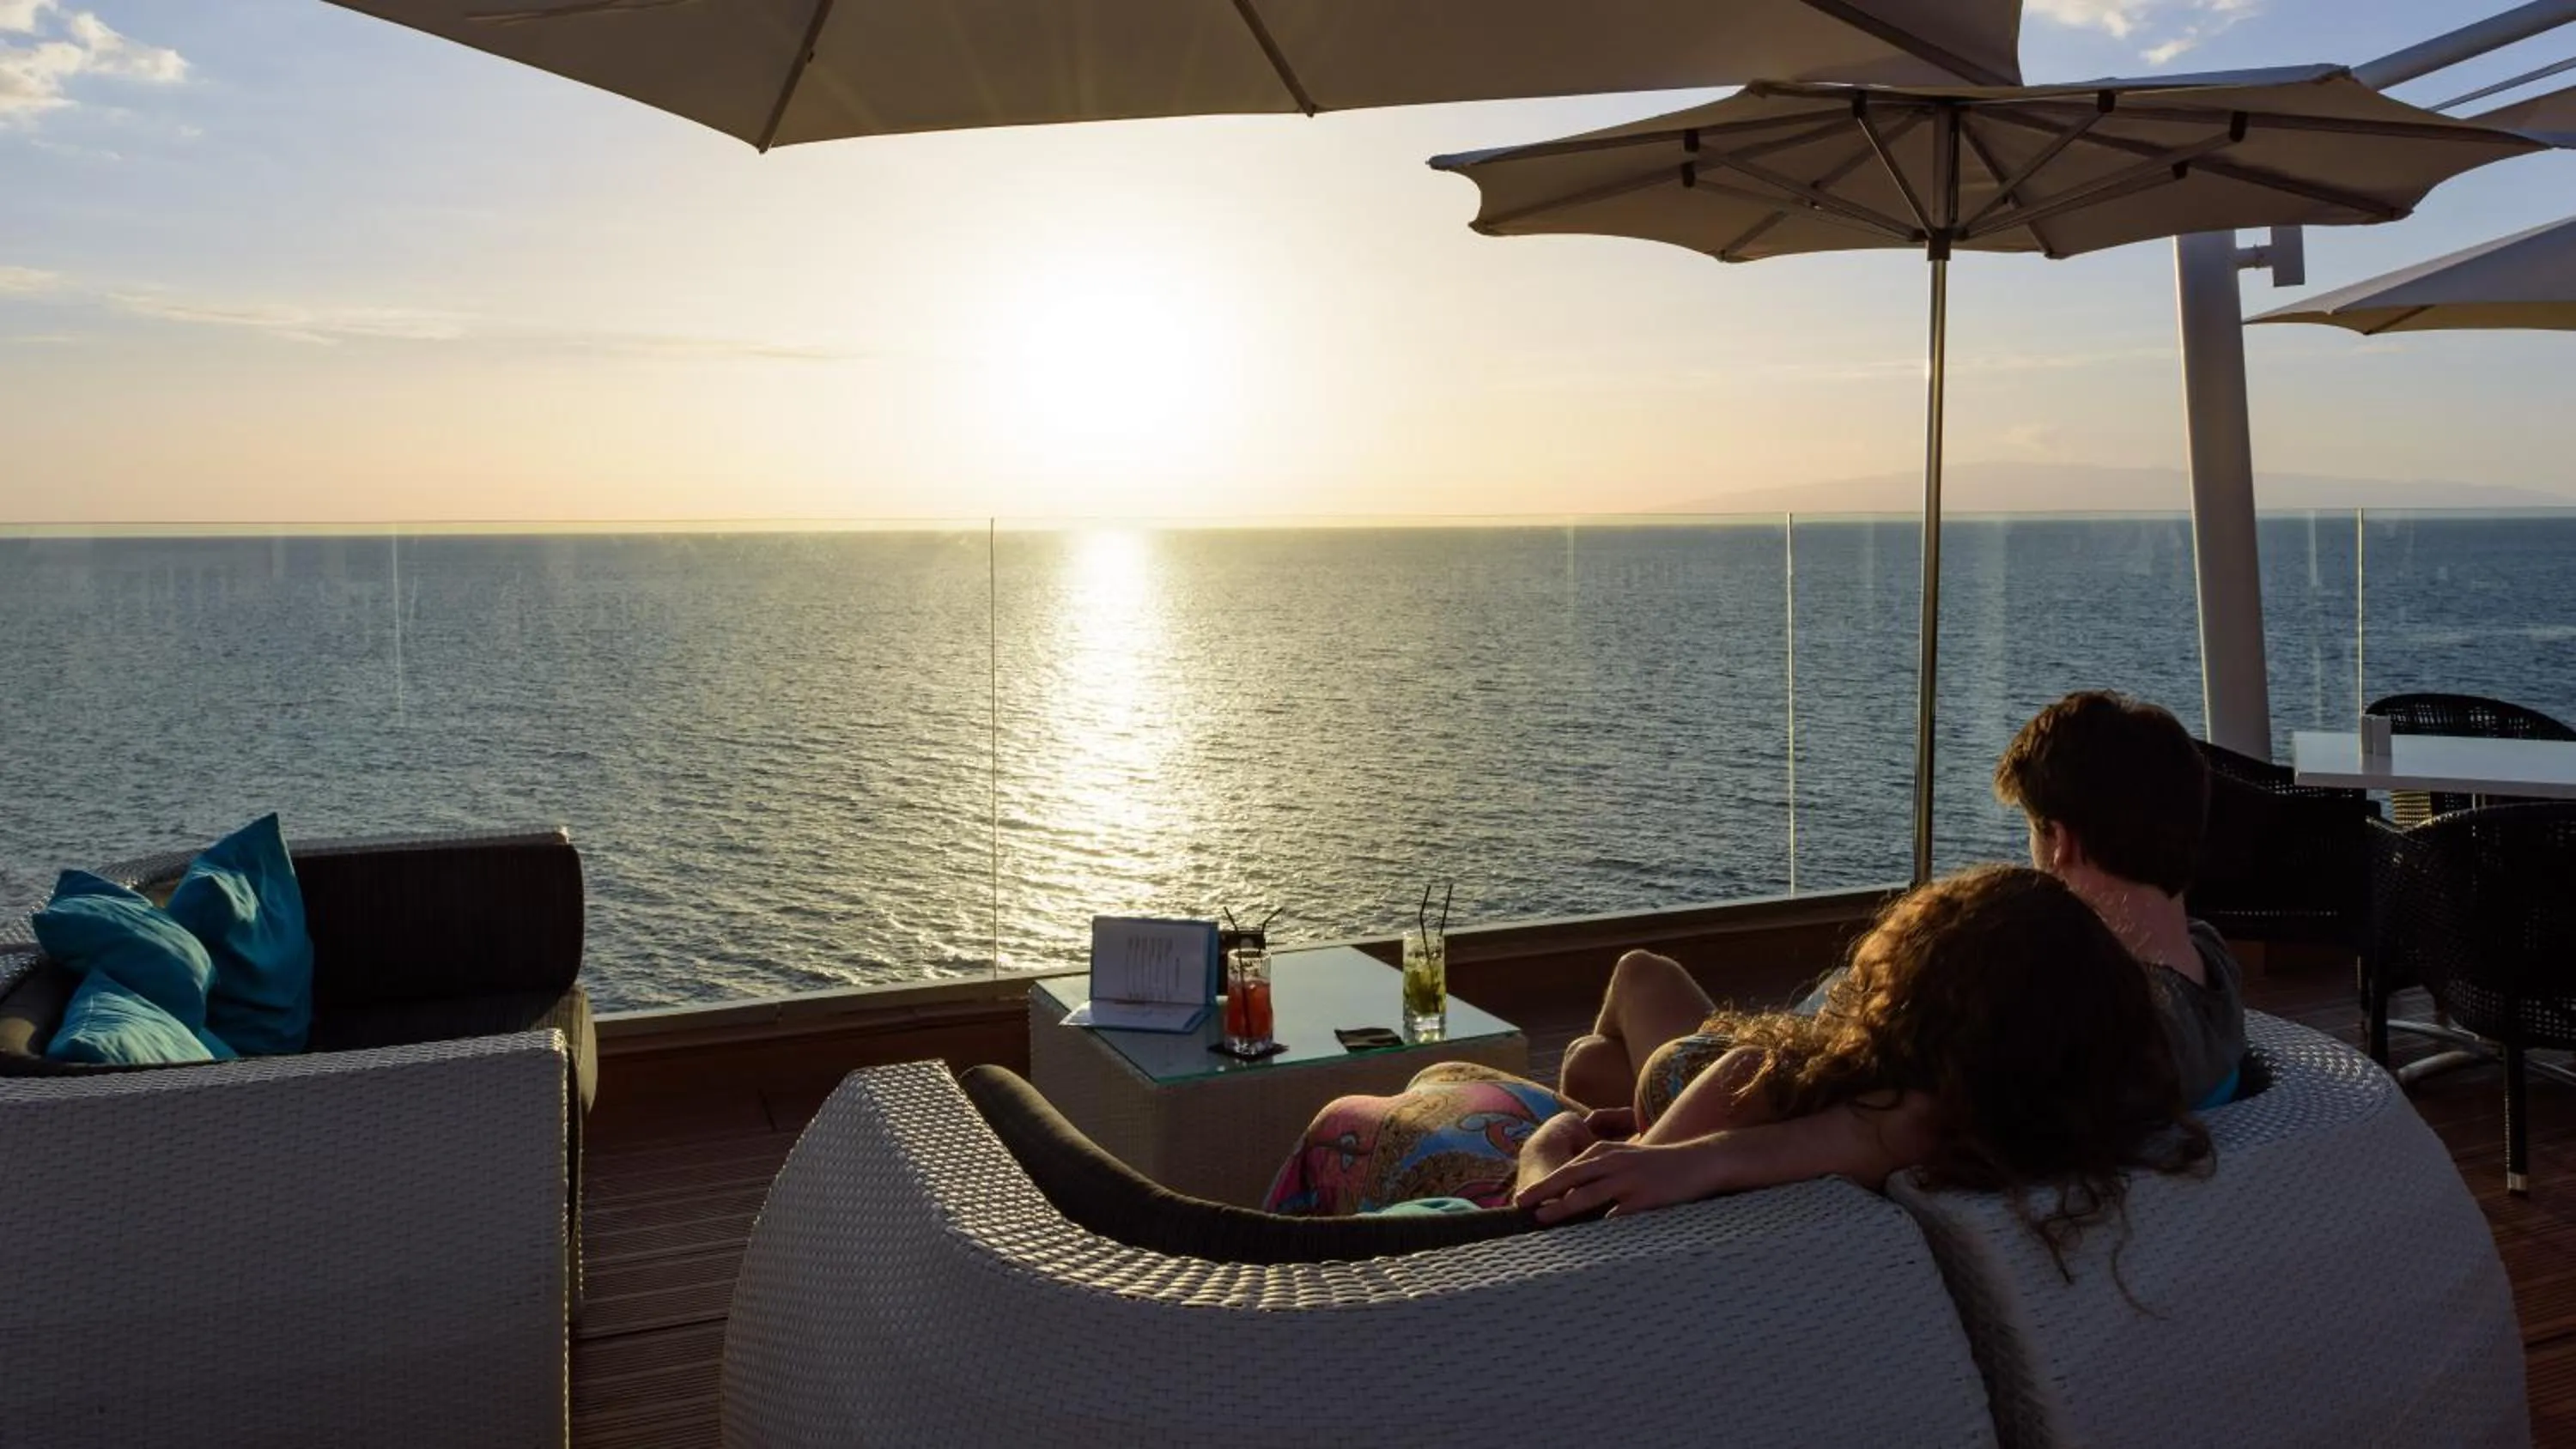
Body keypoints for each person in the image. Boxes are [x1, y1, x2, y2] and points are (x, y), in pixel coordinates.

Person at [1558, 689, 2246, 1126]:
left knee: (1631, 989)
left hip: (1767, 1090)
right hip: (1774, 1069)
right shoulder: (2207, 968)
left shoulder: (2078, 1007)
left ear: (2061, 841)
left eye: (2031, 833)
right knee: (1598, 1057)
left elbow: (1885, 1103)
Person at [1514, 865, 2214, 1242]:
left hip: (1684, 1120)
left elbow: (1574, 1223)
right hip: (1694, 1113)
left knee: (1615, 998)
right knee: (1588, 1059)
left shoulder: (1766, 1085)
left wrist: (1551, 1142)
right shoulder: (1998, 1123)